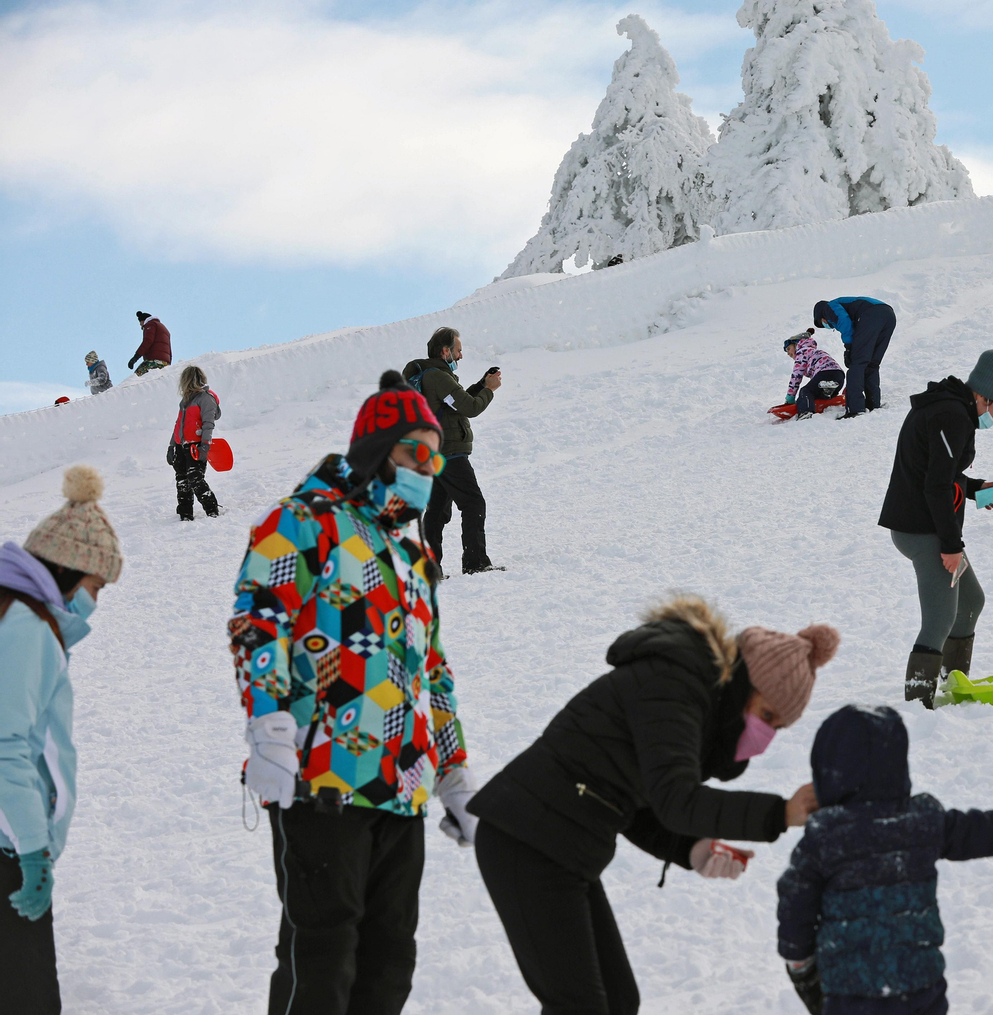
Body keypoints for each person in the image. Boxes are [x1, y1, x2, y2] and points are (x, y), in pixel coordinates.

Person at [229, 371, 476, 1014]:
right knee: (321, 962)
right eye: (418, 451)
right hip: (321, 780)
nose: (430, 466)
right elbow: (259, 624)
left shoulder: (414, 558)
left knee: (390, 964)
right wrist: (269, 728)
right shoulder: (304, 521)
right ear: (376, 449)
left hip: (401, 789)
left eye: (437, 455)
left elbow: (434, 672)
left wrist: (454, 772)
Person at [466, 597, 832, 1014]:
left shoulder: (692, 700)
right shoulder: (675, 685)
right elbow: (676, 800)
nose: (765, 735)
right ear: (747, 683)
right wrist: (780, 814)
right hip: (527, 838)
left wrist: (691, 848)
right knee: (580, 1006)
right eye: (767, 715)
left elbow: (637, 803)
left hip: (560, 848)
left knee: (618, 1001)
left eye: (777, 728)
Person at [776, 705, 993, 1015]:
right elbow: (982, 831)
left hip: (852, 993)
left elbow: (795, 898)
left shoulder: (825, 836)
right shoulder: (921, 822)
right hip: (921, 988)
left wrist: (797, 956)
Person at [0, 466, 120, 1015]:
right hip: (8, 849)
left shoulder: (18, 617)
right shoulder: (27, 626)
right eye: (97, 587)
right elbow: (8, 746)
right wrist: (32, 851)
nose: (96, 601)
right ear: (71, 573)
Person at [878, 348, 993, 707]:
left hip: (929, 524)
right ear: (984, 396)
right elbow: (936, 487)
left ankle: (953, 682)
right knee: (940, 619)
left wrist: (977, 489)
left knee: (970, 601)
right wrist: (951, 546)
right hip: (922, 529)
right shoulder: (951, 415)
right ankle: (917, 702)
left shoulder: (950, 409)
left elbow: (943, 474)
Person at [402, 327, 502, 575]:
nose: (460, 356)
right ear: (445, 350)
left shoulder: (428, 376)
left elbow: (455, 405)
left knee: (436, 512)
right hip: (449, 454)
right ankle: (475, 562)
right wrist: (489, 390)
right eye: (457, 350)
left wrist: (480, 384)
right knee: (472, 503)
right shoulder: (438, 377)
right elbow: (470, 408)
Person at [813, 297, 897, 419]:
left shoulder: (828, 307)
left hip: (871, 314)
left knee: (857, 364)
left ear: (820, 314)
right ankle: (873, 404)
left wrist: (849, 347)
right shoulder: (847, 307)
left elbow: (844, 323)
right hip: (888, 315)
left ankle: (855, 408)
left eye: (822, 322)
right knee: (872, 364)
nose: (827, 325)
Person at [167, 365, 221, 520]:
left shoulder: (206, 399)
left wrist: (205, 445)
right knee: (182, 481)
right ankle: (185, 515)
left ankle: (212, 510)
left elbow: (208, 424)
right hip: (181, 446)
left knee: (195, 478)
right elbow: (178, 424)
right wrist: (171, 446)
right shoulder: (184, 402)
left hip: (195, 446)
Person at [781, 328, 846, 417]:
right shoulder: (814, 351)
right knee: (818, 393)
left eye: (788, 348)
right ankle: (828, 391)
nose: (788, 353)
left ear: (797, 344)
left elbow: (796, 377)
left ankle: (805, 412)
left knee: (806, 391)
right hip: (839, 376)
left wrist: (790, 397)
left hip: (824, 373)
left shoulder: (801, 353)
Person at [127, 311, 171, 375]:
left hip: (153, 361)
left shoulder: (151, 324)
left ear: (143, 320)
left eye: (140, 323)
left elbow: (148, 341)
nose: (141, 325)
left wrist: (135, 358)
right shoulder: (164, 328)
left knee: (135, 379)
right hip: (165, 363)